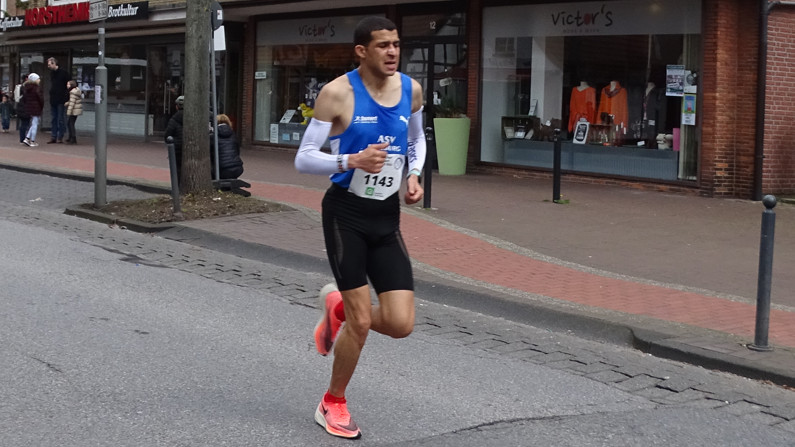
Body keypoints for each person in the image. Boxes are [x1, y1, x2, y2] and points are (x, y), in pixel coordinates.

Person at [294, 16, 425, 440]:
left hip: (387, 217)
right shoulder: (337, 93)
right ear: (361, 51)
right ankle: (332, 401)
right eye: (383, 45)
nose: (392, 52)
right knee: (363, 323)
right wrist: (349, 160)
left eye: (397, 44)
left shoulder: (411, 90)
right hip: (345, 214)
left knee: (402, 323)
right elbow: (303, 157)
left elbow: (416, 140)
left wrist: (414, 173)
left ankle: (338, 309)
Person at [212, 114, 244, 179]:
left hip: (223, 169)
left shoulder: (213, 136)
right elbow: (237, 151)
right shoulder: (233, 135)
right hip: (238, 168)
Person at [47, 57, 70, 143]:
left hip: (61, 99)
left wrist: (66, 97)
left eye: (49, 64)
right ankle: (54, 136)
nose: (48, 66)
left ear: (54, 63)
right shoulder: (52, 74)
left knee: (60, 118)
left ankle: (60, 136)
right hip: (53, 99)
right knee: (54, 118)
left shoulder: (63, 73)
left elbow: (68, 85)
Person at [164, 95, 185, 182]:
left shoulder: (174, 119)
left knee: (177, 169)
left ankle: (177, 188)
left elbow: (167, 135)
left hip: (177, 149)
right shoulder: (194, 118)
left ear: (177, 107)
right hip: (189, 148)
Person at [21, 73, 44, 147]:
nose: (39, 80)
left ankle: (27, 138)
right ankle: (32, 140)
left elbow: (24, 99)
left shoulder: (26, 88)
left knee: (33, 123)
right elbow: (41, 99)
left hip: (29, 107)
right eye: (38, 79)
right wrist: (41, 106)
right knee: (35, 124)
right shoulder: (37, 88)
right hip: (36, 107)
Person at [65, 80, 83, 144]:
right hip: (76, 109)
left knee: (70, 124)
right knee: (70, 123)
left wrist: (69, 112)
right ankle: (71, 137)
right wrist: (67, 103)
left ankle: (73, 138)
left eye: (68, 84)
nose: (67, 85)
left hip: (74, 110)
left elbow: (72, 103)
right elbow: (73, 101)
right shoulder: (76, 91)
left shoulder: (72, 92)